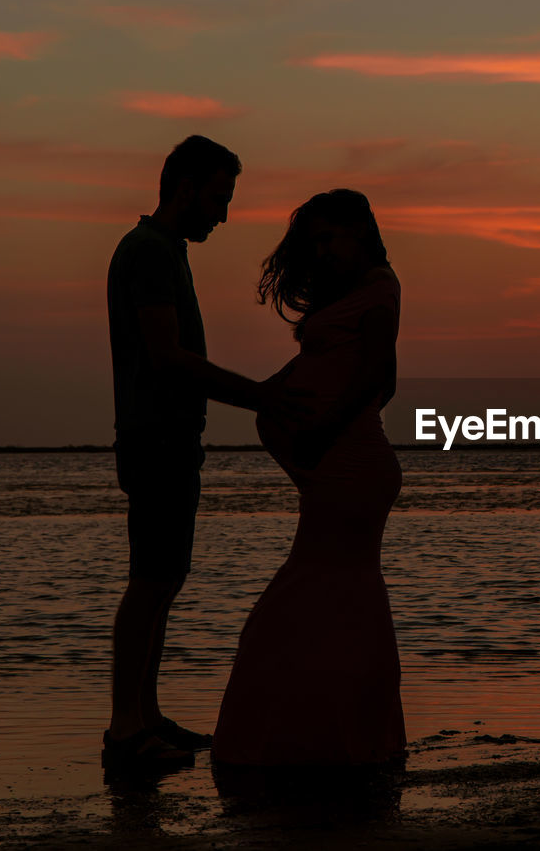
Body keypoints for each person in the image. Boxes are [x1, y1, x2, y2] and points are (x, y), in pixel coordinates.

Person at [104, 135, 303, 770]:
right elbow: (167, 357)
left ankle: (147, 714)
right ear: (185, 188)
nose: (224, 214)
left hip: (172, 437)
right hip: (154, 437)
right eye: (219, 198)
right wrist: (260, 397)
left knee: (167, 577)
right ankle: (125, 729)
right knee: (151, 579)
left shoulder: (168, 251)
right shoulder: (148, 252)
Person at [211, 189, 406, 768]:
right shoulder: (351, 295)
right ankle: (340, 736)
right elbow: (360, 373)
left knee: (315, 597)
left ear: (361, 233)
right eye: (312, 242)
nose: (320, 252)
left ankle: (324, 739)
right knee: (338, 600)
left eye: (328, 239)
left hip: (349, 469)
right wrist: (275, 398)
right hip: (337, 469)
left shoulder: (379, 289)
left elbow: (377, 374)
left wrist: (325, 429)